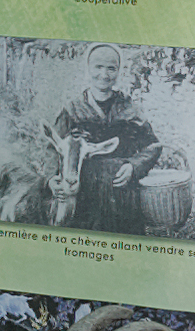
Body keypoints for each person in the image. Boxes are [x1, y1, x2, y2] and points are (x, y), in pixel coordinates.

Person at [52, 44, 165, 237]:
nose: (104, 75)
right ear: (88, 68)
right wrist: (51, 180)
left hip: (123, 196)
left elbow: (153, 145)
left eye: (111, 68)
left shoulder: (129, 109)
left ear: (118, 71)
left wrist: (133, 166)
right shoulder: (73, 110)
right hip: (85, 197)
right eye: (98, 67)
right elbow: (52, 148)